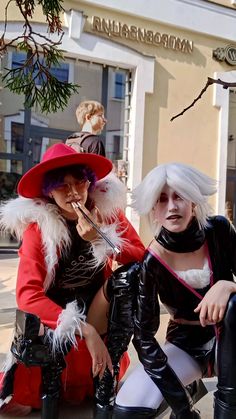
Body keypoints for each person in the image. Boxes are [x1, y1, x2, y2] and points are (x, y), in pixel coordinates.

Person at [0, 143, 145, 417]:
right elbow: (27, 295)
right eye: (62, 186)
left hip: (99, 305)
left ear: (89, 182)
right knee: (27, 402)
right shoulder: (38, 229)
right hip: (55, 312)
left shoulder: (107, 215)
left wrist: (101, 238)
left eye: (79, 182)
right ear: (48, 191)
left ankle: (109, 373)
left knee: (128, 278)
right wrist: (85, 331)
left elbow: (142, 258)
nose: (73, 192)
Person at [110, 162, 236, 419]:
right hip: (188, 344)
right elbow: (144, 339)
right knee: (127, 410)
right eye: (162, 199)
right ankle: (189, 390)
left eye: (179, 196)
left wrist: (228, 285)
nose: (172, 206)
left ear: (193, 202)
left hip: (234, 337)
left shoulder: (220, 230)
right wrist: (182, 408)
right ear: (153, 210)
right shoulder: (151, 263)